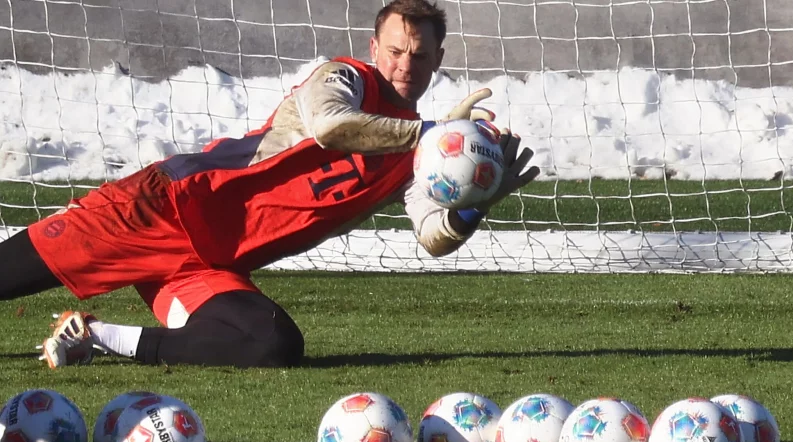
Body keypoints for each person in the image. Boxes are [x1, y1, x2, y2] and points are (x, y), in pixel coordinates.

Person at [0, 0, 538, 369]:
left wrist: (475, 202)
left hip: (208, 268)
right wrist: (431, 129)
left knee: (271, 344)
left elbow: (432, 235)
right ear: (375, 47)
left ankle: (95, 337)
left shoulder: (417, 157)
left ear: (437, 60)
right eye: (396, 51)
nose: (405, 65)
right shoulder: (345, 76)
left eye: (419, 56)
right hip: (161, 209)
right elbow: (331, 126)